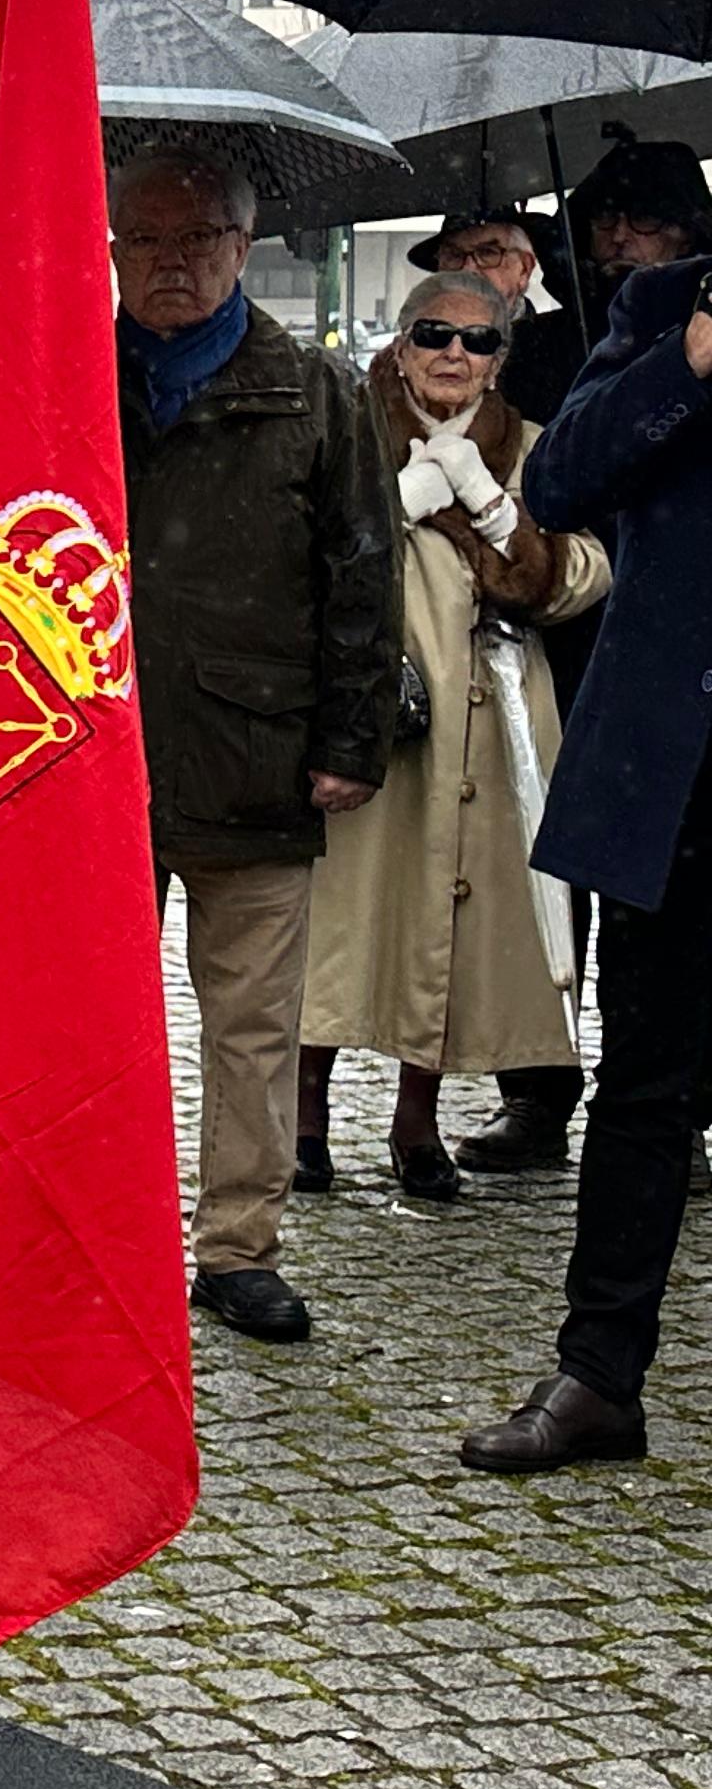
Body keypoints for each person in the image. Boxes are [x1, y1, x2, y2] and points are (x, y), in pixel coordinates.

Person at [108, 150, 397, 1348]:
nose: (173, 263)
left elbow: (363, 575)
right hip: (96, 755)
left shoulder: (315, 392)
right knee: (97, 1022)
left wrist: (350, 742)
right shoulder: (67, 374)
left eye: (199, 240)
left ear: (244, 246)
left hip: (259, 753)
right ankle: (102, 1236)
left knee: (255, 1028)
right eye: (148, 240)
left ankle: (239, 1247)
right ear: (114, 250)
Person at [462, 202, 712, 1469]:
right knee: (645, 1092)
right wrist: (690, 365)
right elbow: (558, 483)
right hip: (676, 783)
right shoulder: (669, 313)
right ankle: (599, 1376)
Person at [296, 278, 608, 1200]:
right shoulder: (346, 430)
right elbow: (299, 552)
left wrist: (496, 511)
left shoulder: (530, 448)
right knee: (340, 919)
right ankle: (304, 1119)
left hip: (489, 717)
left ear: (500, 359)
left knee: (449, 917)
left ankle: (416, 1123)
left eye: (477, 341)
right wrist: (398, 501)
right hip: (371, 716)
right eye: (433, 333)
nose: (453, 354)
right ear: (399, 342)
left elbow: (585, 569)